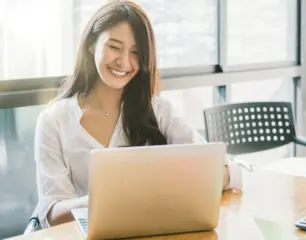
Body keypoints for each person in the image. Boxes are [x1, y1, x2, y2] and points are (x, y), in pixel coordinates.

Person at [34, 0, 242, 229]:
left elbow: (226, 170)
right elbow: (51, 212)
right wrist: (110, 200)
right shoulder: (54, 120)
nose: (124, 62)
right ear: (91, 45)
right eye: (114, 47)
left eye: (135, 52)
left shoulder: (159, 111)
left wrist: (178, 184)